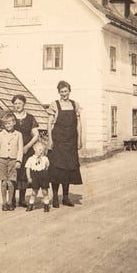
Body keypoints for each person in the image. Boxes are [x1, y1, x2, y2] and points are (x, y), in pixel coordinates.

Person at [47, 80, 83, 208]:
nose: (64, 94)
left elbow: (79, 124)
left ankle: (66, 197)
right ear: (59, 92)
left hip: (71, 142)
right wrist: (50, 140)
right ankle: (56, 197)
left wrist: (80, 139)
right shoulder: (54, 105)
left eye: (66, 91)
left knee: (68, 170)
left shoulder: (75, 105)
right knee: (56, 170)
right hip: (58, 141)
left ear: (69, 91)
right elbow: (49, 123)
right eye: (61, 92)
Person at [11, 94, 39, 208]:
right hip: (13, 150)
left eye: (19, 103)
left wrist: (27, 147)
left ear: (24, 104)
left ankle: (22, 199)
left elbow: (36, 135)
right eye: (15, 103)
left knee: (24, 175)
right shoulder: (10, 117)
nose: (17, 105)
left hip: (26, 150)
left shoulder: (30, 118)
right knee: (12, 175)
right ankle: (12, 200)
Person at [0, 112, 23, 211]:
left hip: (13, 161)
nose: (8, 125)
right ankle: (4, 202)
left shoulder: (18, 134)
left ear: (14, 122)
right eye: (6, 124)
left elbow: (20, 149)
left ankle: (10, 202)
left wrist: (19, 161)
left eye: (9, 123)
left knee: (11, 182)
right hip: (2, 160)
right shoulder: (1, 134)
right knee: (3, 183)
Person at [25, 141, 51, 212]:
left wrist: (45, 174)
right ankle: (30, 204)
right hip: (35, 176)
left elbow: (47, 167)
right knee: (34, 192)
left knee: (45, 191)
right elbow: (27, 168)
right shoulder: (31, 159)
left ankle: (46, 204)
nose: (41, 151)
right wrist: (29, 177)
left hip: (43, 176)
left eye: (42, 150)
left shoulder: (45, 158)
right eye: (39, 150)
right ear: (34, 149)